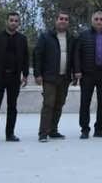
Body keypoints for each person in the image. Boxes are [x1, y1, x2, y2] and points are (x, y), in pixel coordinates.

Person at [73, 10, 102, 139]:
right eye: (96, 19)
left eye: (101, 19)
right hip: (87, 74)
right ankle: (84, 129)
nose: (99, 21)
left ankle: (99, 129)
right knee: (85, 102)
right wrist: (77, 70)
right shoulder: (84, 35)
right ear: (92, 20)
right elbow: (77, 54)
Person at [0, 11, 29, 142]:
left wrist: (25, 75)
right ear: (7, 22)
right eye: (11, 20)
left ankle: (10, 134)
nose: (13, 23)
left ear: (19, 23)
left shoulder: (22, 39)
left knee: (12, 106)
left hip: (14, 77)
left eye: (16, 21)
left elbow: (26, 58)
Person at [33, 11, 76, 142]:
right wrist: (37, 74)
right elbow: (37, 55)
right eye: (61, 18)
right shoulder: (45, 37)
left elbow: (74, 57)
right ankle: (43, 133)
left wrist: (75, 73)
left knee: (59, 104)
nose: (63, 21)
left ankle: (53, 130)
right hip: (49, 77)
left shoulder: (71, 38)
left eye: (66, 19)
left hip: (65, 77)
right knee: (48, 104)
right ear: (56, 20)